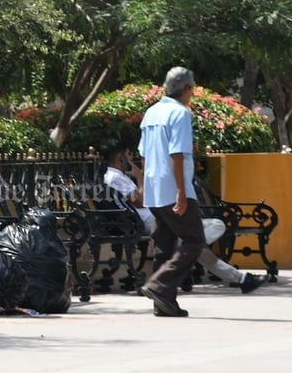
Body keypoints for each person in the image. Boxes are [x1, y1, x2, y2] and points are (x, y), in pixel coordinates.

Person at [99, 138, 268, 295]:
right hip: (145, 222)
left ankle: (235, 275)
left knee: (211, 230)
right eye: (128, 155)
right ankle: (239, 277)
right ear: (119, 156)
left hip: (151, 219)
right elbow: (140, 202)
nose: (131, 158)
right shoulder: (114, 178)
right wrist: (140, 177)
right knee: (203, 237)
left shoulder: (117, 176)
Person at [135, 67, 208, 317]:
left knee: (164, 245)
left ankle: (164, 303)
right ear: (187, 89)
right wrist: (180, 192)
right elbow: (176, 154)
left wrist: (144, 186)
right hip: (173, 186)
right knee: (195, 239)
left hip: (155, 187)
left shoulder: (152, 112)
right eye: (192, 89)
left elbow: (143, 154)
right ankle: (158, 285)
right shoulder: (180, 113)